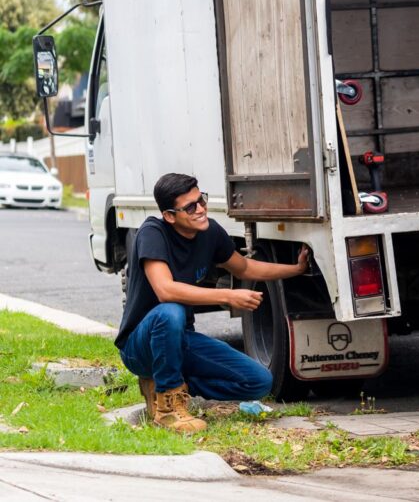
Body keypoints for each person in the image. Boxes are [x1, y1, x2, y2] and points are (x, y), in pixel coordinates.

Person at [114, 172, 310, 433]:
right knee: (170, 312)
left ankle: (175, 385)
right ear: (170, 215)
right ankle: (168, 407)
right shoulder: (152, 233)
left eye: (202, 200)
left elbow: (245, 268)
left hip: (180, 340)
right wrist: (228, 296)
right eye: (191, 207)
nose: (201, 209)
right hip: (140, 347)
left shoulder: (210, 232)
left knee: (259, 382)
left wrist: (295, 270)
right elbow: (165, 290)